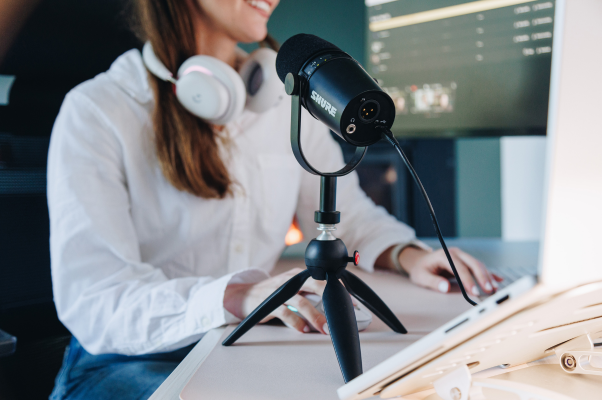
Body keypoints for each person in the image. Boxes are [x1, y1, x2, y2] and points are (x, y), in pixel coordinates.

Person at [47, 0, 501, 399]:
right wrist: (236, 296)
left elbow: (349, 218)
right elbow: (95, 299)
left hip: (242, 342)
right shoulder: (96, 111)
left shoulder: (282, 103)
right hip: (122, 360)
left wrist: (407, 254)